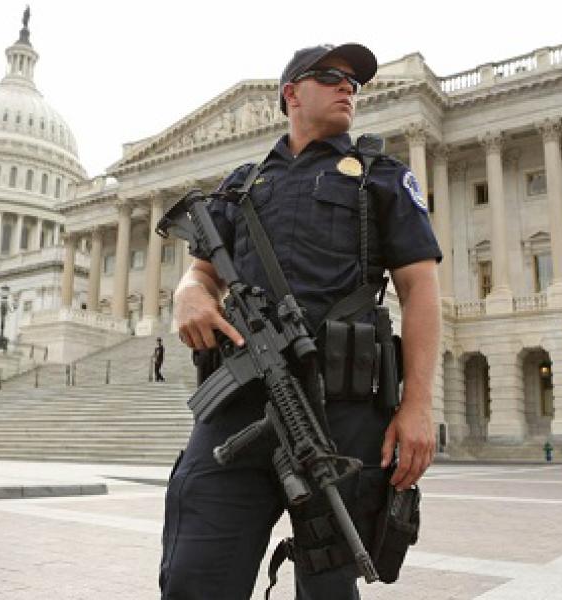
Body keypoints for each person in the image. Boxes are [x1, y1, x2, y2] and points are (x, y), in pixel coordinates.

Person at [160, 43, 442, 600]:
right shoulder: (241, 185)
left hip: (341, 410)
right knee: (196, 576)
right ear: (291, 92)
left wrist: (418, 404)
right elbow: (201, 272)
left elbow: (419, 290)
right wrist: (189, 295)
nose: (348, 89)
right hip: (238, 404)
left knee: (330, 585)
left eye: (354, 83)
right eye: (332, 76)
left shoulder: (379, 177)